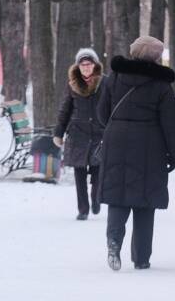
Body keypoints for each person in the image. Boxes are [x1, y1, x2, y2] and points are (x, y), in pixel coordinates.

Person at [97, 36, 175, 271]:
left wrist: (117, 129)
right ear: (156, 57)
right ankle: (142, 258)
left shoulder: (113, 78)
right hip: (150, 146)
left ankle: (114, 242)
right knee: (145, 201)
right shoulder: (161, 85)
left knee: (118, 196)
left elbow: (102, 113)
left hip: (116, 142)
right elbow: (171, 124)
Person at [53, 48, 105, 221]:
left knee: (98, 171)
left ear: (94, 65)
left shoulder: (104, 83)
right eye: (82, 65)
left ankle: (96, 199)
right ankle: (83, 209)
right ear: (78, 67)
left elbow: (112, 107)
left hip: (99, 134)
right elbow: (65, 110)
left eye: (88, 64)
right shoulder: (72, 85)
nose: (85, 68)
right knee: (79, 173)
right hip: (78, 135)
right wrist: (58, 133)